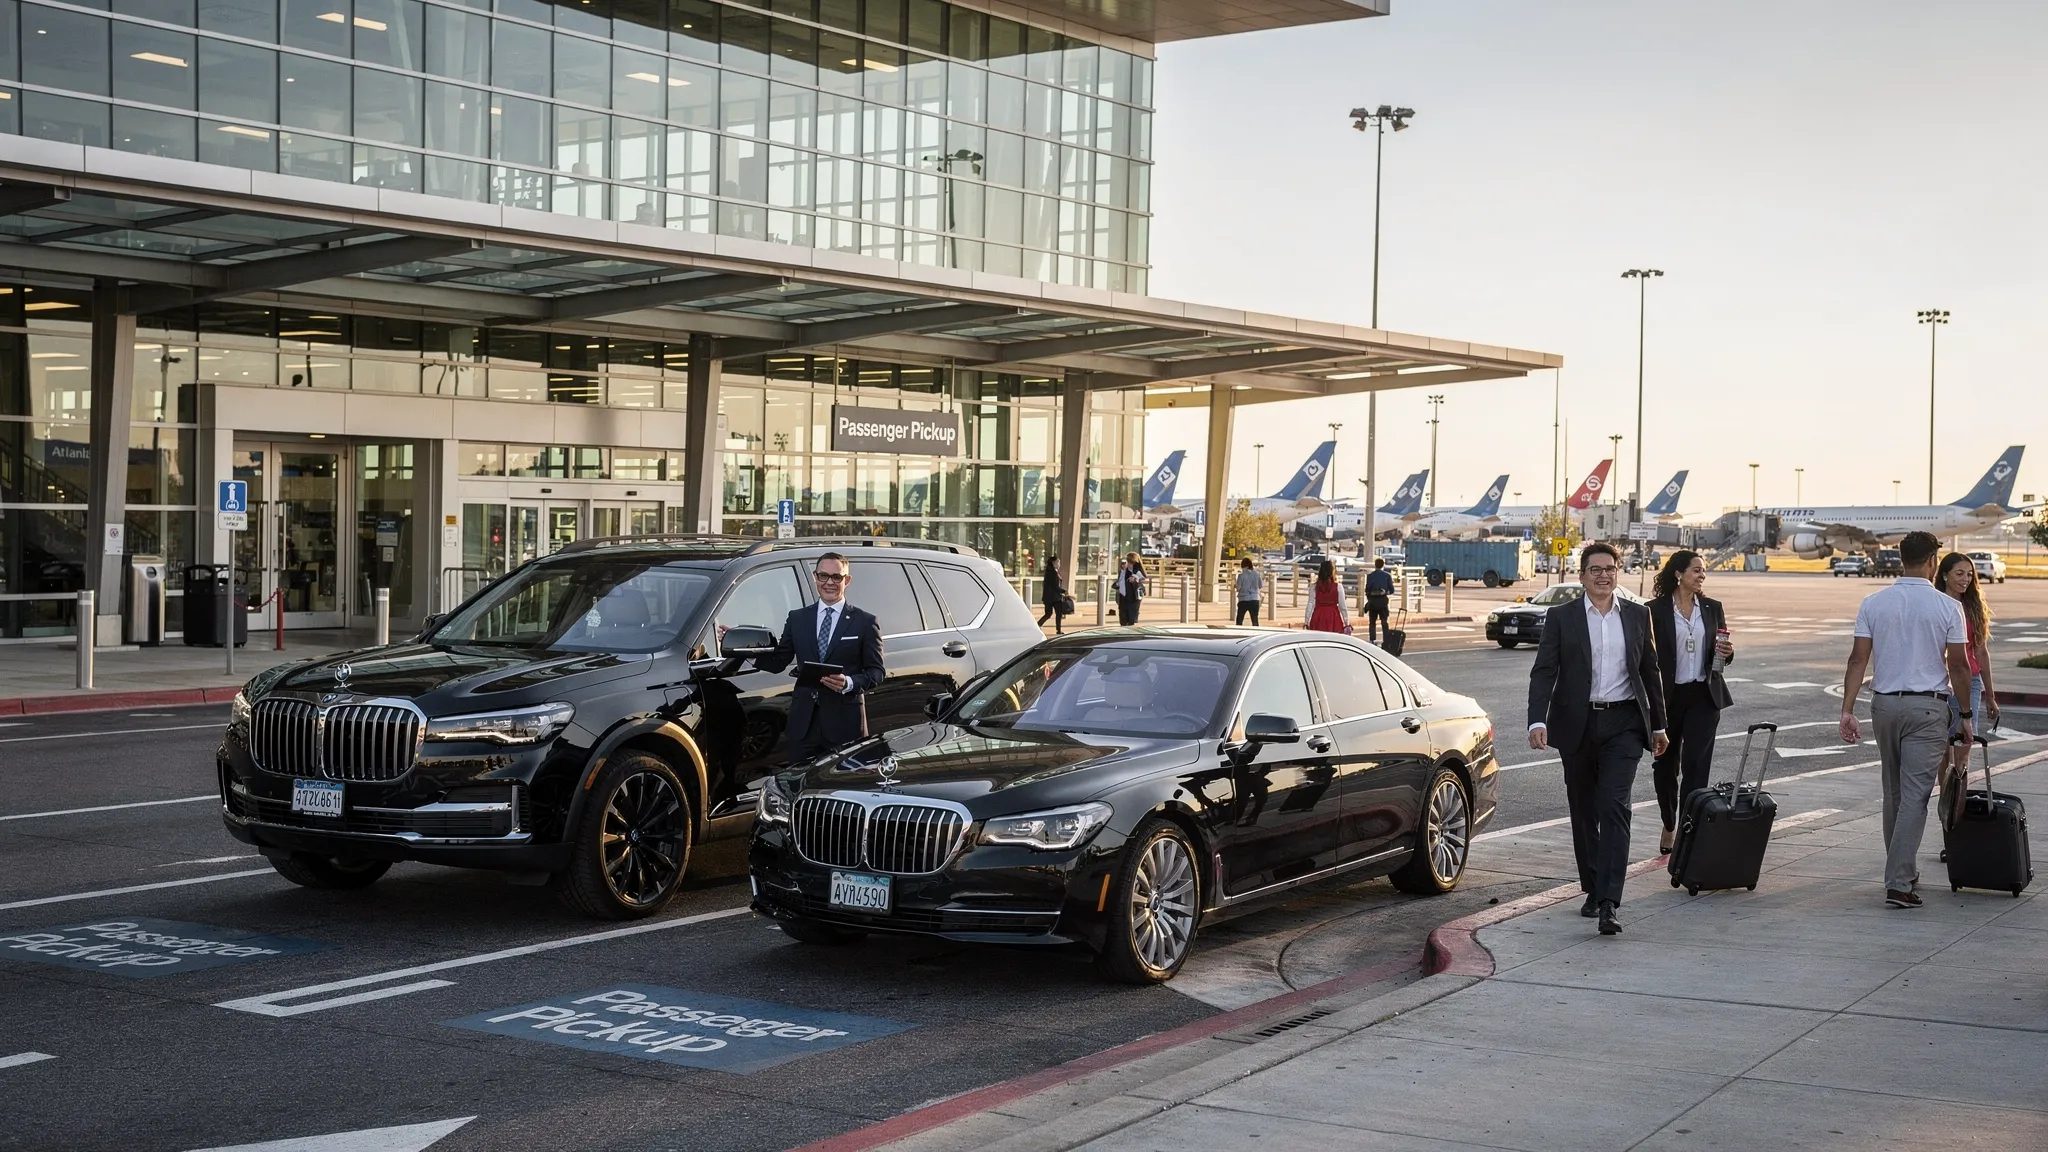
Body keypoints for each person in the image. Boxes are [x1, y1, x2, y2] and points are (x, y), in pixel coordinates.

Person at [1528, 542, 1669, 936]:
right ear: (1582, 576)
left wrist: (1658, 726)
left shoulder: (1639, 616)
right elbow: (1544, 672)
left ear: (1618, 572)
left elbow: (1650, 672)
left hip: (1623, 723)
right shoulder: (1562, 617)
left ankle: (1609, 900)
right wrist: (1536, 720)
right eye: (1595, 569)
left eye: (1610, 568)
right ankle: (1592, 886)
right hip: (1577, 724)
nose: (1603, 575)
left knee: (1614, 807)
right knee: (1585, 810)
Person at [1838, 531, 1974, 909]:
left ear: (1901, 560)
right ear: (1933, 561)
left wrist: (1847, 709)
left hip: (1884, 706)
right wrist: (1965, 715)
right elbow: (1959, 666)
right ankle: (1898, 882)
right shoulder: (1948, 607)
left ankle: (1902, 870)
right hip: (1927, 708)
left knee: (1894, 794)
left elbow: (1856, 660)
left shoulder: (1874, 602)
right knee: (1915, 797)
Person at [756, 553, 887, 762]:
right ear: (815, 577)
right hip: (803, 725)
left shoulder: (865, 622)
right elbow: (778, 662)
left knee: (840, 787)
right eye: (823, 576)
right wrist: (747, 649)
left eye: (836, 577)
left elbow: (877, 672)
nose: (829, 583)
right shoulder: (797, 618)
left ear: (847, 580)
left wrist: (849, 683)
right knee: (799, 786)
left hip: (844, 726)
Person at [1647, 549, 1736, 854]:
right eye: (1696, 570)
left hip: (1703, 695)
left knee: (1697, 767)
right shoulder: (1654, 611)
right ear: (1678, 574)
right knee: (1666, 767)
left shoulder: (1712, 608)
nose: (1701, 575)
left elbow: (1721, 649)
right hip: (1667, 699)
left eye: (1703, 571)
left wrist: (1727, 653)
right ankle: (1669, 822)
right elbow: (1646, 657)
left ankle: (1688, 828)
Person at [1935, 551, 1999, 758]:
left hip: (1968, 680)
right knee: (1943, 749)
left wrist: (1990, 696)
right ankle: (1946, 790)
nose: (1965, 579)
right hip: (1935, 682)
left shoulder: (1973, 606)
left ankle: (1958, 789)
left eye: (1970, 575)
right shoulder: (1933, 603)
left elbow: (1981, 651)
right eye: (1959, 574)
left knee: (1963, 746)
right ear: (1945, 575)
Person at [1305, 559, 1349, 633]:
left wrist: (1306, 621)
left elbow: (1310, 604)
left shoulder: (1314, 587)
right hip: (1333, 616)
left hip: (1318, 615)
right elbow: (1343, 607)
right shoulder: (1338, 587)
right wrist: (1347, 622)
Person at [1364, 558, 1395, 644]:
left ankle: (1372, 639)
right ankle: (1386, 639)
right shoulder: (1387, 576)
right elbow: (1391, 590)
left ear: (1375, 565)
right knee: (1384, 621)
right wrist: (1385, 592)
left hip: (1373, 601)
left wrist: (1370, 597)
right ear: (1383, 565)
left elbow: (1367, 590)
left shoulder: (1370, 576)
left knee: (1372, 622)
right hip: (1383, 601)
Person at [1039, 554, 1069, 634]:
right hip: (1054, 597)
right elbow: (1055, 586)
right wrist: (1064, 591)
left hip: (1048, 597)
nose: (1059, 564)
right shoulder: (1053, 573)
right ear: (1053, 563)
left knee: (1048, 614)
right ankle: (1058, 630)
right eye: (1058, 562)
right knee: (1058, 614)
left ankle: (1038, 625)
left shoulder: (1049, 571)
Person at [1115, 552, 1146, 626]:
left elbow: (1142, 579)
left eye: (1129, 562)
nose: (1128, 564)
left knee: (1131, 621)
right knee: (1123, 620)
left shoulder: (1137, 571)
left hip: (1133, 598)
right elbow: (1119, 582)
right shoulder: (1123, 571)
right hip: (1123, 598)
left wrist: (1135, 579)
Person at [1234, 557, 1263, 626]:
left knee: (1239, 619)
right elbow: (1260, 586)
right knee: (1254, 619)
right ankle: (1256, 633)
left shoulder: (1241, 576)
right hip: (1254, 599)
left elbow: (1238, 587)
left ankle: (1239, 633)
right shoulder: (1257, 574)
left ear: (1244, 566)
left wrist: (1234, 585)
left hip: (1243, 599)